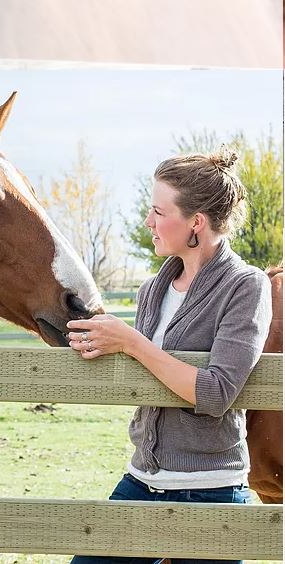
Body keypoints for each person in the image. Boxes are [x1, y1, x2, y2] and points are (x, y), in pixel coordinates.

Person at [67, 147, 272, 564]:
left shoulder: (246, 287)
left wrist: (131, 343)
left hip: (212, 492)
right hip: (141, 480)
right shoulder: (152, 290)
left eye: (159, 211)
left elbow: (215, 393)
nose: (148, 222)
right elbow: (142, 371)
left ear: (196, 222)